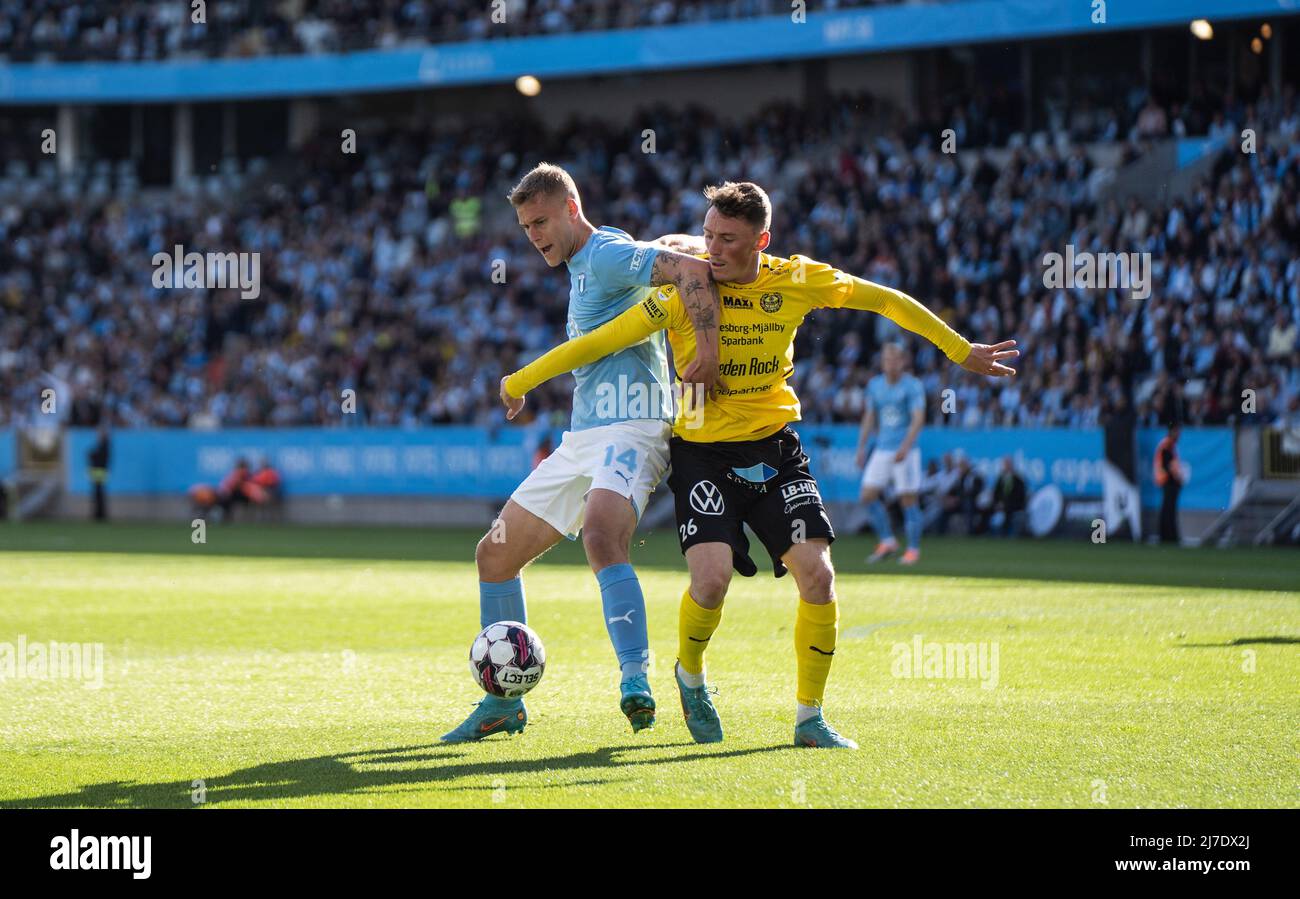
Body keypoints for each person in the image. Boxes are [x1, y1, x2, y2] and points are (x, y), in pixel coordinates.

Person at [500, 181, 1017, 748]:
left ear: (761, 241)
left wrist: (960, 350)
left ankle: (809, 718)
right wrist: (522, 380)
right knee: (712, 582)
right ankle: (690, 676)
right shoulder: (681, 296)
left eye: (727, 240)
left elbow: (886, 299)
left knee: (818, 578)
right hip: (701, 455)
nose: (711, 251)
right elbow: (598, 342)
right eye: (706, 236)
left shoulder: (795, 281)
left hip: (775, 447)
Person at [441, 162, 724, 744]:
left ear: (572, 208)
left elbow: (694, 271)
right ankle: (503, 703)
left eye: (542, 221)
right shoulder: (583, 267)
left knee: (600, 536)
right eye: (525, 227)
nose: (534, 235)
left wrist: (709, 353)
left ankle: (634, 679)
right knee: (493, 556)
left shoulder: (604, 255)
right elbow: (678, 256)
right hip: (583, 437)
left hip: (634, 428)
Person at [857, 343, 926, 564]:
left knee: (908, 499)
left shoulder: (912, 386)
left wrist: (906, 446)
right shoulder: (875, 385)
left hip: (904, 450)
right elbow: (869, 417)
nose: (891, 363)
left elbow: (918, 418)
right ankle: (887, 540)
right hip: (882, 448)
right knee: (867, 495)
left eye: (895, 359)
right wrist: (861, 447)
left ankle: (913, 550)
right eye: (887, 359)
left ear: (903, 361)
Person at [1154, 423, 1186, 544]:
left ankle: (1167, 536)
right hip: (1168, 481)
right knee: (1168, 510)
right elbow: (1168, 465)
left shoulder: (1167, 444)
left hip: (1168, 481)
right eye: (1177, 432)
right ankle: (1169, 536)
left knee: (1167, 509)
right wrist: (1177, 478)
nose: (1179, 435)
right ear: (1172, 431)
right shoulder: (1168, 445)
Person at [991, 456, 1027, 537]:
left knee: (1008, 512)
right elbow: (996, 493)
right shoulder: (1000, 478)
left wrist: (1006, 504)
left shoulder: (1018, 479)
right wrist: (998, 503)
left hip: (1014, 505)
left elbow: (1020, 495)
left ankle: (1007, 534)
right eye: (1005, 464)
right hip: (1001, 506)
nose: (1006, 466)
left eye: (1008, 464)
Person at [87, 425, 111, 522]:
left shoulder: (105, 445)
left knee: (98, 493)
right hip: (98, 471)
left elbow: (97, 456)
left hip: (99, 471)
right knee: (98, 493)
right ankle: (98, 513)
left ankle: (99, 514)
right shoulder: (103, 444)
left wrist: (92, 455)